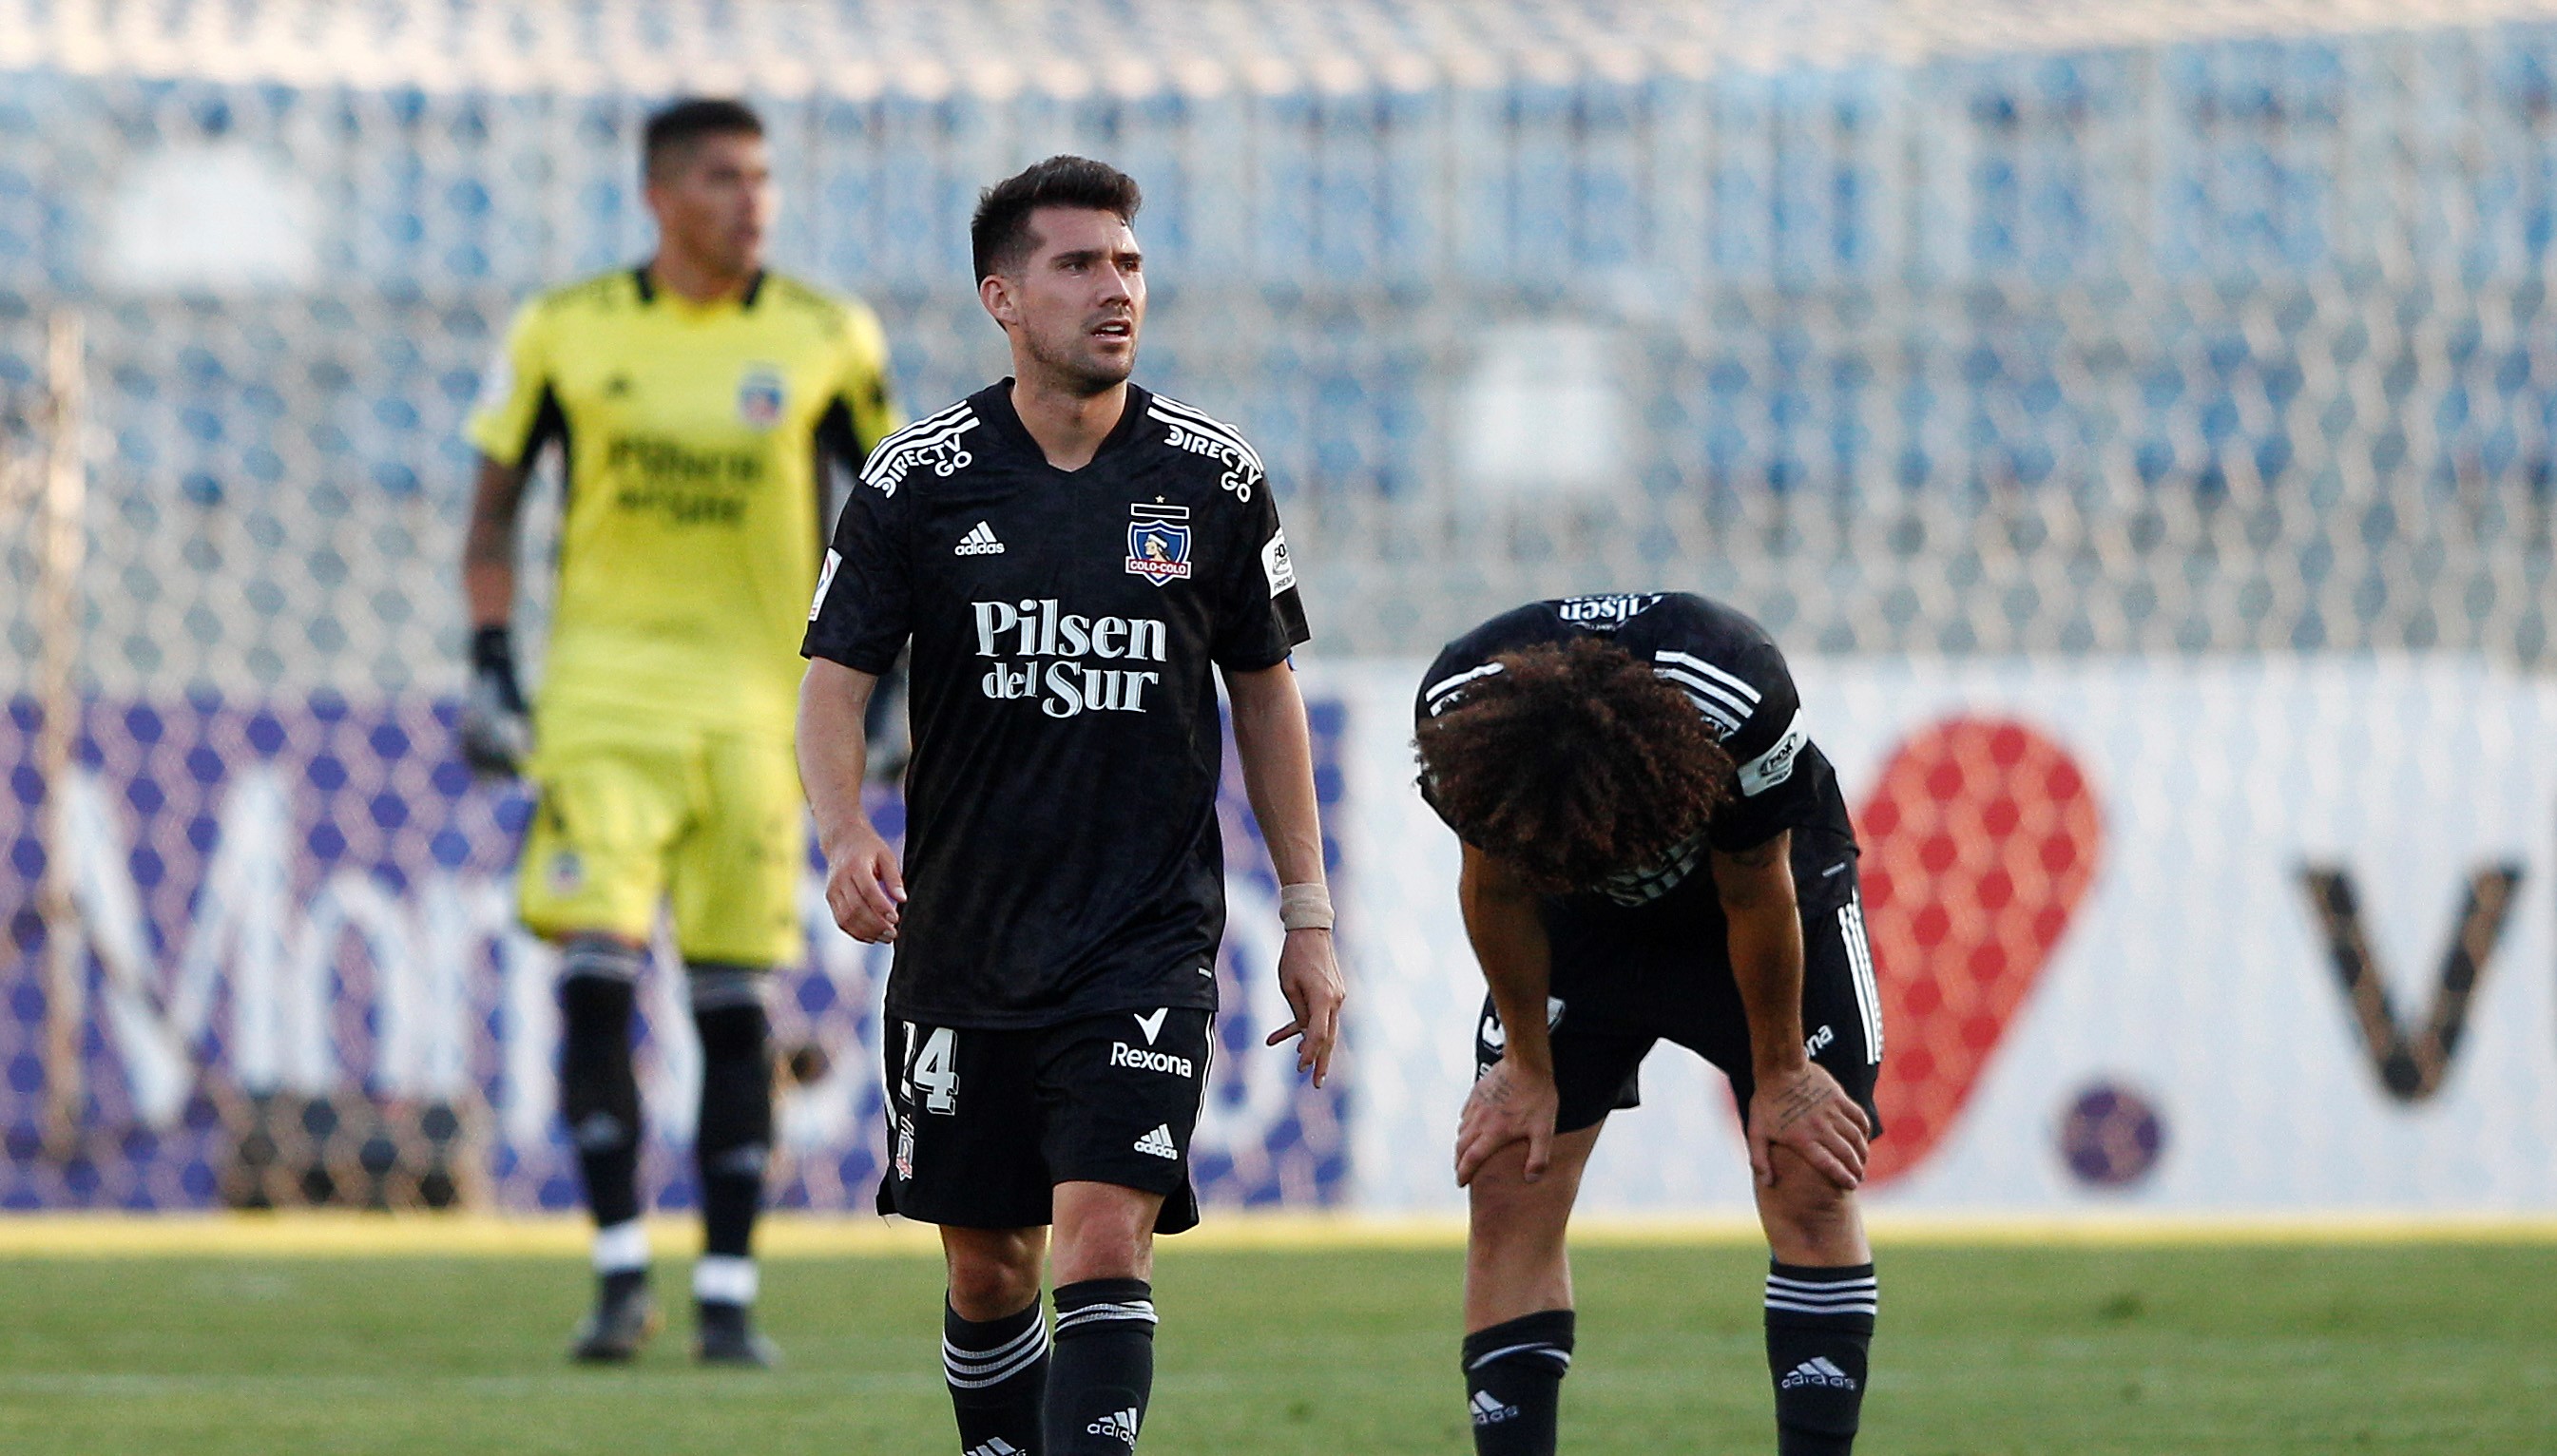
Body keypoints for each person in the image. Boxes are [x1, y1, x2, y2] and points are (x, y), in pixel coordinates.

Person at [798, 155, 1344, 1456]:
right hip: (964, 941)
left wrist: (1309, 915)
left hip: (1140, 939)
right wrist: (844, 832)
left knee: (1104, 1237)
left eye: (1129, 264)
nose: (1117, 290)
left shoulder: (1211, 477)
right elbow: (831, 683)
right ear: (1002, 296)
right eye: (1080, 264)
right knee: (990, 1267)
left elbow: (1265, 695)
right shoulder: (918, 479)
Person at [458, 97, 901, 1366]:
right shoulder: (565, 330)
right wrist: (490, 665)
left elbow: (897, 522)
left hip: (763, 716)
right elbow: (491, 516)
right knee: (596, 981)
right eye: (721, 178)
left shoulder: (825, 335)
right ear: (658, 196)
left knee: (731, 1006)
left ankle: (726, 1295)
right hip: (602, 706)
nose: (751, 200)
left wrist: (892, 692)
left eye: (761, 177)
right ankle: (615, 1276)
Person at [1413, 592, 1884, 1456]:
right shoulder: (1462, 715)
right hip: (1575, 930)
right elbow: (1497, 890)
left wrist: (1782, 1071)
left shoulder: (1735, 696)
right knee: (1512, 1176)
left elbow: (1756, 889)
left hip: (1760, 900)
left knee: (1808, 1171)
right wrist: (1526, 1065)